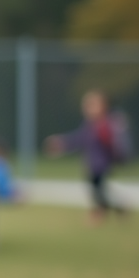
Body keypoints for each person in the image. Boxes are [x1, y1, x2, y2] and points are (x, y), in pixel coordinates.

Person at [44, 89, 130, 223]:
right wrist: (62, 144)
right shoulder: (90, 125)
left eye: (92, 105)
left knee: (98, 190)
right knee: (98, 190)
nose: (87, 109)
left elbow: (115, 145)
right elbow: (78, 139)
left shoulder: (105, 124)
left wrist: (119, 157)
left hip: (101, 164)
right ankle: (117, 207)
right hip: (92, 163)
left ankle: (102, 213)